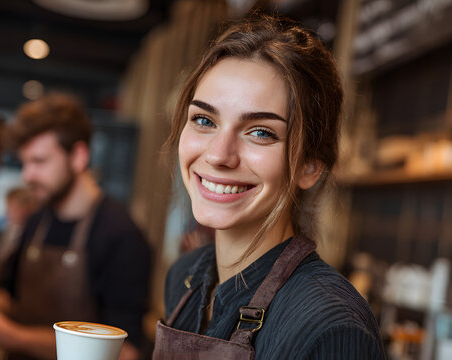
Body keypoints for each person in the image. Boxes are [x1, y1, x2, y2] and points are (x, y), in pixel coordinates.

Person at [153, 14, 385, 359]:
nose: (219, 155)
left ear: (310, 166)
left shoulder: (330, 327)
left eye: (260, 132)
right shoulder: (186, 278)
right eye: (204, 120)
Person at [0, 93, 151, 360]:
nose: (27, 175)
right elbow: (11, 297)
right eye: (25, 162)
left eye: (39, 161)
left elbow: (126, 351)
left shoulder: (121, 236)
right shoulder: (36, 221)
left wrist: (14, 336)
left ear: (78, 156)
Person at [0, 187, 38, 271]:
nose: (6, 212)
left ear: (24, 210)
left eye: (11, 208)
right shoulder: (10, 229)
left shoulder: (29, 237)